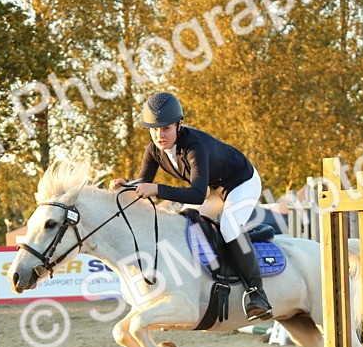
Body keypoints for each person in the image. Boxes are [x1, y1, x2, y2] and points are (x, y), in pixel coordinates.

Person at [111, 92, 273, 321]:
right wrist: (125, 185)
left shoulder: (194, 146)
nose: (160, 135)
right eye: (154, 129)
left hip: (241, 182)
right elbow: (143, 182)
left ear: (179, 124)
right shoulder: (153, 150)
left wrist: (157, 189)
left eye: (166, 128)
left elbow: (197, 194)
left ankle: (257, 293)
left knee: (229, 226)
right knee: (185, 221)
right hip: (213, 188)